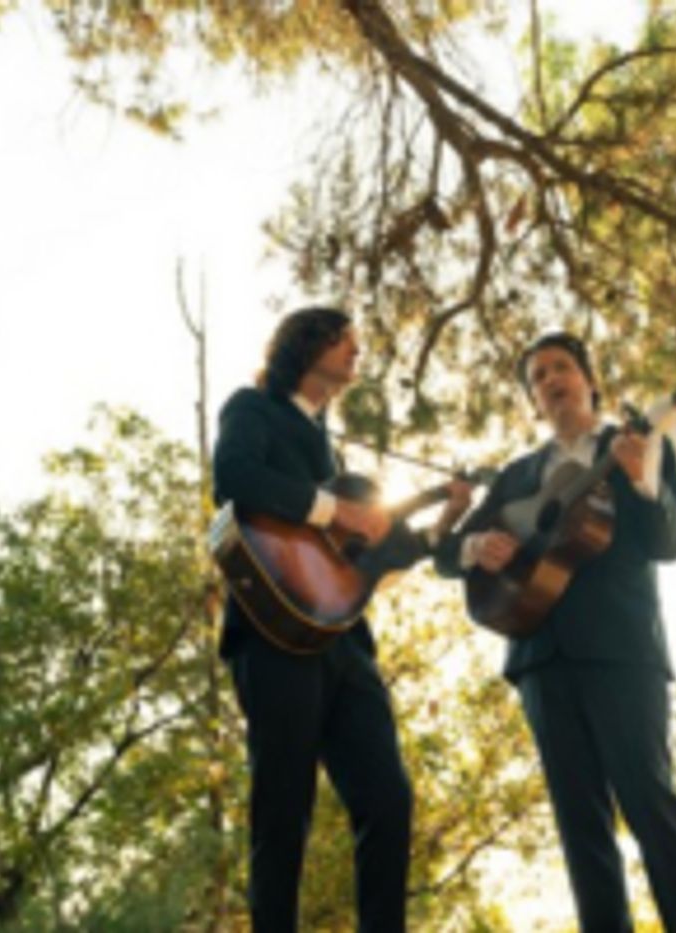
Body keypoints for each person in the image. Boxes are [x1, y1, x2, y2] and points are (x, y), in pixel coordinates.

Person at [435, 332, 676, 932]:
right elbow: (444, 557)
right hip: (540, 657)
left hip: (623, 651)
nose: (551, 380)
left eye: (561, 367)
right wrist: (474, 544)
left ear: (589, 380)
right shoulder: (518, 477)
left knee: (650, 803)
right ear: (534, 401)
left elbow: (670, 542)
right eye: (538, 377)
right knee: (581, 829)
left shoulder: (641, 443)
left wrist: (640, 480)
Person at [212, 306, 470, 932]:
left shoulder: (331, 442)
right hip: (273, 639)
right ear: (306, 344)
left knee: (388, 798)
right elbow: (235, 477)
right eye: (345, 339)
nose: (358, 349)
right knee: (282, 812)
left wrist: (444, 522)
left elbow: (383, 550)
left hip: (346, 647)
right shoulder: (253, 410)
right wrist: (337, 512)